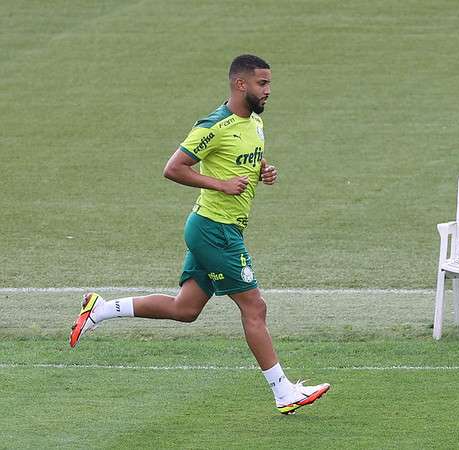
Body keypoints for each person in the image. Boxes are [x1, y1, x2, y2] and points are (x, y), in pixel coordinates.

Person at [69, 54, 329, 415]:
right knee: (254, 307)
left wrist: (263, 171)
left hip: (219, 228)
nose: (269, 90)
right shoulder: (214, 125)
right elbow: (173, 168)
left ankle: (100, 309)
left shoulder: (254, 122)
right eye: (262, 84)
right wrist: (220, 184)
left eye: (269, 83)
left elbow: (246, 160)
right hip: (215, 230)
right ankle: (283, 392)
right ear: (241, 84)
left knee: (185, 308)